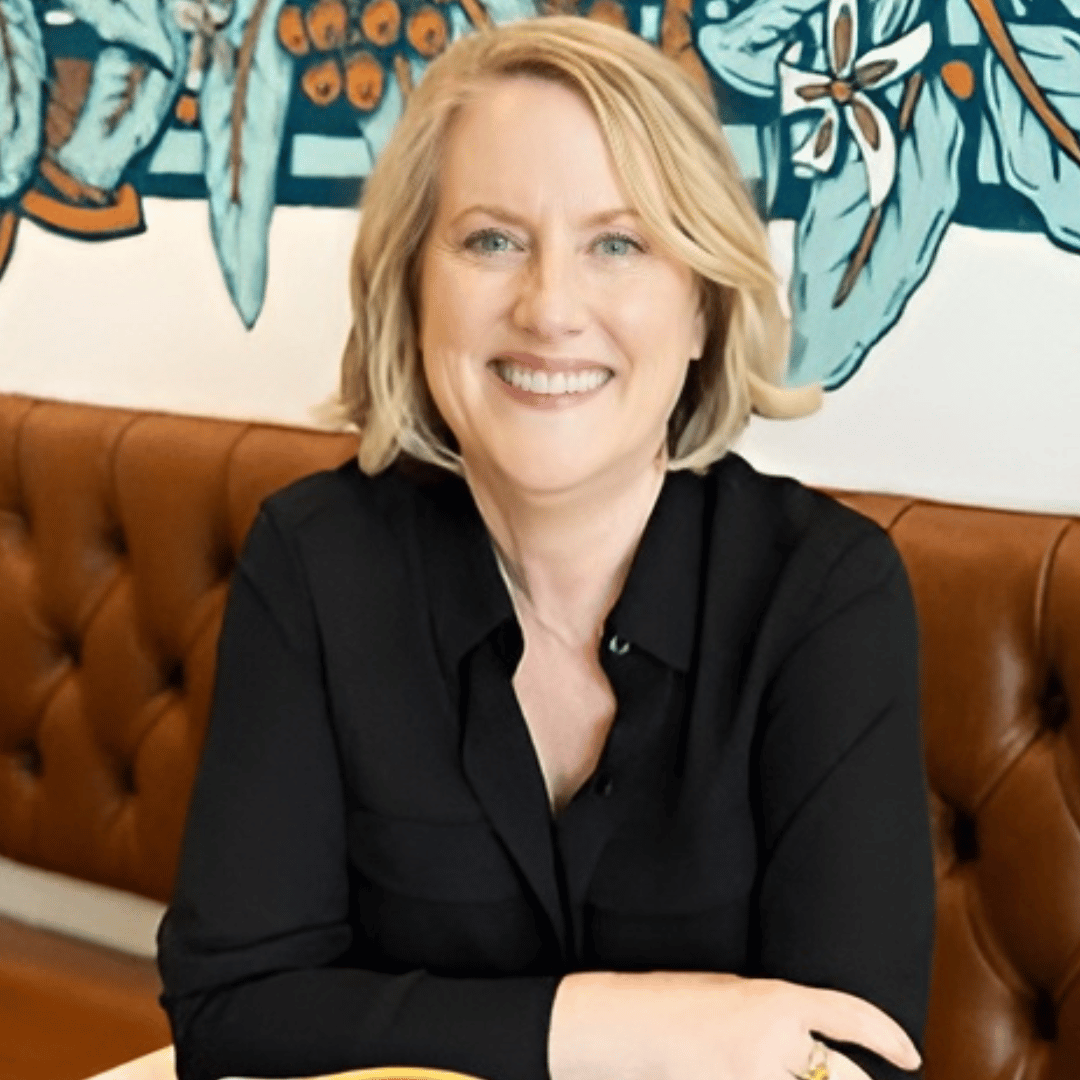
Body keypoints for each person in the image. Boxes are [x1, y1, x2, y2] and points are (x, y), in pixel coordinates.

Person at [157, 15, 935, 1080]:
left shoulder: (824, 592)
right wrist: (628, 1029)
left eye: (617, 243)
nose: (549, 307)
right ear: (412, 287)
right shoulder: (315, 560)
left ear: (703, 306)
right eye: (491, 240)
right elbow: (231, 1009)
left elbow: (854, 1057)